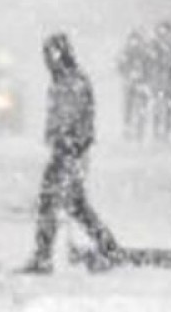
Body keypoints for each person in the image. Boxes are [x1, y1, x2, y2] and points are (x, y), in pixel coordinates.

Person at [22, 32, 121, 273]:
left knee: (52, 201)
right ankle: (107, 247)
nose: (46, 61)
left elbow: (72, 119)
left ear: (60, 55)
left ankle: (44, 256)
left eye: (50, 55)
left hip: (69, 151)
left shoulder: (71, 82)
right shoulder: (65, 80)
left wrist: (65, 142)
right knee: (74, 204)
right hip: (67, 150)